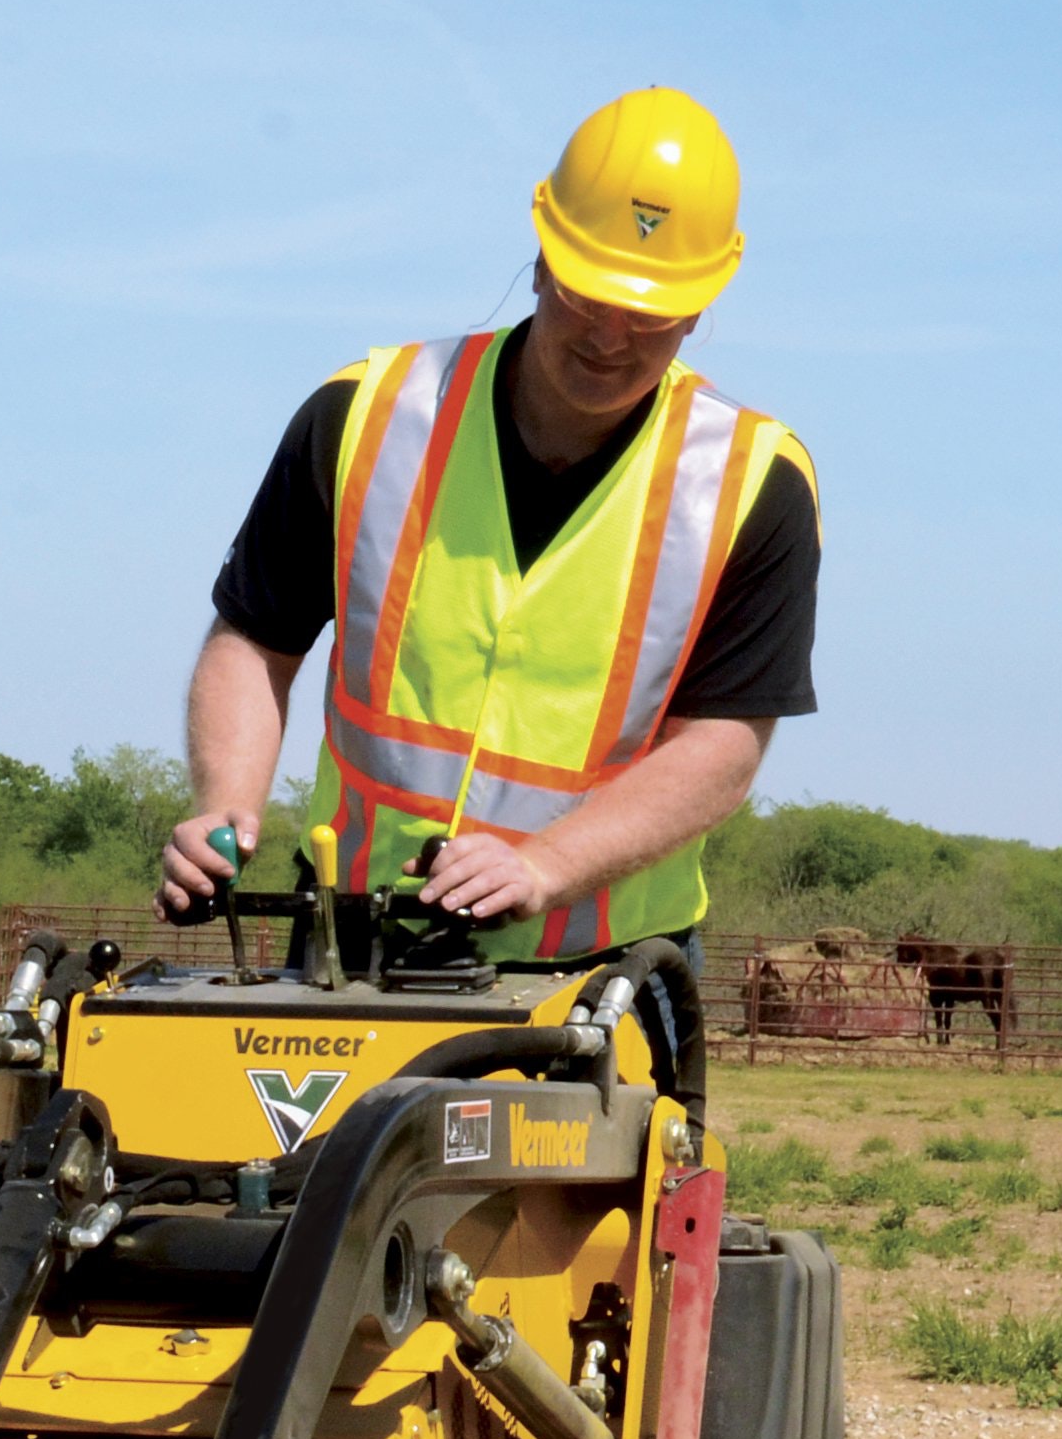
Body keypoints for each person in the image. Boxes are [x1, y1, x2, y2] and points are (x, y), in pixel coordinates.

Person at [158, 86, 816, 968]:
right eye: (586, 294)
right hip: (358, 949)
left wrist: (547, 865)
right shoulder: (364, 417)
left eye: (648, 313)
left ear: (700, 305)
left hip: (609, 967)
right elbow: (254, 638)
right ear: (543, 254)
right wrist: (225, 803)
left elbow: (723, 747)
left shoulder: (753, 485)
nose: (609, 337)